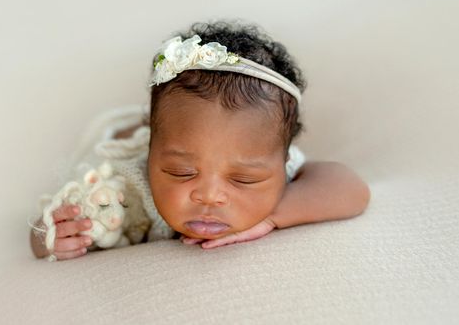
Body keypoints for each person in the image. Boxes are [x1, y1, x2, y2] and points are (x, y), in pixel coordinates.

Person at [29, 19, 371, 261]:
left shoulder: (282, 170)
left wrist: (276, 214)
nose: (208, 195)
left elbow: (352, 189)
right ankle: (132, 125)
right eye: (180, 172)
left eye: (244, 179)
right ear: (150, 155)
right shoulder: (130, 187)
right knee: (113, 137)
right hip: (132, 138)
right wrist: (51, 234)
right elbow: (43, 229)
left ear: (282, 163)